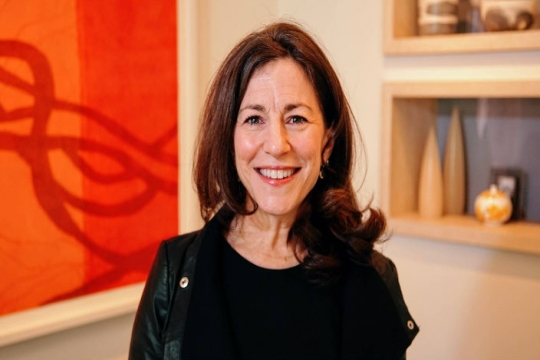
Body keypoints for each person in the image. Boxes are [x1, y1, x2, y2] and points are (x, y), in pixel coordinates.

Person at [129, 21, 418, 360]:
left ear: (328, 143)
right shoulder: (174, 270)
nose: (277, 145)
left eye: (296, 119)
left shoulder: (372, 276)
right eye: (254, 119)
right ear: (229, 138)